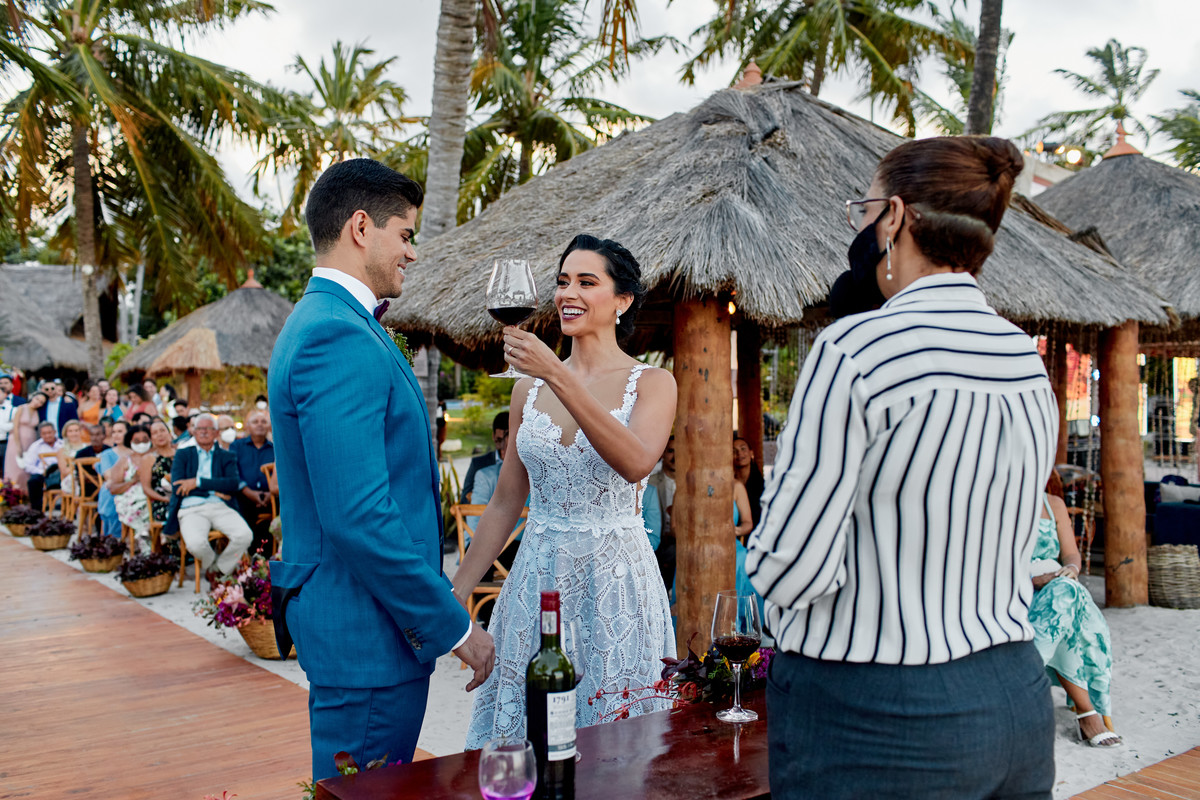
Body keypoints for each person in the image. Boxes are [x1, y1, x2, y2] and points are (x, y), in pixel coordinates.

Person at [747, 137, 1055, 799]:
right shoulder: (1022, 357)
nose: (857, 227)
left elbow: (788, 568)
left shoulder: (856, 348)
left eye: (860, 210)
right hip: (1017, 695)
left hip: (878, 708)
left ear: (892, 217)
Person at [267, 158, 494, 782]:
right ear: (362, 228)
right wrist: (454, 628)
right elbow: (359, 515)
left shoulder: (332, 323)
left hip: (364, 628)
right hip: (366, 633)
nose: (412, 252)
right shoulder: (334, 335)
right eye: (405, 233)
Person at [456, 233, 677, 747]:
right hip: (538, 581)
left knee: (616, 748)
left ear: (622, 300)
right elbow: (507, 500)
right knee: (527, 740)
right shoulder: (524, 390)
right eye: (560, 282)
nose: (566, 293)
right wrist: (455, 597)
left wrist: (556, 372)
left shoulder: (653, 382)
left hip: (617, 583)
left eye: (586, 281)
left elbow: (636, 461)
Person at [1030, 472, 1120, 747]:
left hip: (1056, 585)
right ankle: (1087, 712)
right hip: (1014, 589)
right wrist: (1030, 580)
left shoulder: (1052, 504)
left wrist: (1070, 569)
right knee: (1067, 601)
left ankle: (1027, 676)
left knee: (1066, 592)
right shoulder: (991, 504)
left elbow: (1070, 553)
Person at [162, 414, 253, 574]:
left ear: (216, 433)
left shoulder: (227, 456)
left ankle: (219, 570)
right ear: (194, 432)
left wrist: (197, 482)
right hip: (191, 508)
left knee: (245, 535)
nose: (204, 432)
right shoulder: (183, 454)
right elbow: (177, 486)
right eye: (200, 429)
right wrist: (216, 487)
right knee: (196, 544)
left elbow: (232, 484)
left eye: (209, 429)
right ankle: (211, 565)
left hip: (220, 506)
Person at [232, 409, 275, 554]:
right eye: (255, 422)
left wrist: (271, 494)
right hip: (243, 496)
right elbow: (233, 473)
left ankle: (264, 562)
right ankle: (246, 561)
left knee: (270, 525)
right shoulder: (236, 446)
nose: (260, 425)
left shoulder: (275, 449)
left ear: (269, 426)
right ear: (247, 426)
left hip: (270, 498)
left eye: (264, 422)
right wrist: (248, 492)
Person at [106, 424, 153, 552]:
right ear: (130, 442)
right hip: (130, 499)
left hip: (153, 496)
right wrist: (133, 480)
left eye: (145, 440)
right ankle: (144, 539)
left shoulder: (156, 458)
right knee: (144, 504)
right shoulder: (124, 461)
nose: (142, 444)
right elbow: (113, 488)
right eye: (137, 441)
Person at [647, 435, 676, 594]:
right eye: (671, 451)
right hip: (658, 545)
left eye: (679, 451)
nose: (675, 456)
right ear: (663, 453)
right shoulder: (649, 483)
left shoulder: (691, 483)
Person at [461, 412, 509, 502]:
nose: (503, 446)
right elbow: (464, 499)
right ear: (493, 436)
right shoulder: (479, 464)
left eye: (507, 442)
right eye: (499, 440)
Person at [4, 390, 47, 492]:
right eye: (37, 399)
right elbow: (15, 427)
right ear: (33, 397)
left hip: (31, 442)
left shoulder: (37, 413)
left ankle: (25, 494)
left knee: (27, 469)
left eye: (41, 402)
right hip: (16, 440)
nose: (38, 402)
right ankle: (11, 493)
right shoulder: (21, 408)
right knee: (15, 467)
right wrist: (18, 445)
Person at [141, 418, 177, 526]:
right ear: (151, 439)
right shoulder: (149, 459)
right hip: (162, 502)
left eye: (162, 431)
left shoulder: (180, 454)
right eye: (155, 433)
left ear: (170, 434)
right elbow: (146, 488)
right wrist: (165, 499)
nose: (160, 435)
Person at [96, 420, 128, 538]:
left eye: (120, 431)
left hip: (131, 487)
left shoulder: (135, 452)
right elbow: (109, 476)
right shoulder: (107, 454)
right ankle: (113, 538)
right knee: (109, 490)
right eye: (114, 432)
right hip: (114, 488)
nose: (116, 435)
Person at [21, 421, 61, 510]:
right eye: (44, 433)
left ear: (54, 432)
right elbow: (28, 465)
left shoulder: (62, 444)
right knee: (33, 481)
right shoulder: (36, 446)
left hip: (61, 474)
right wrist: (42, 472)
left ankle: (66, 508)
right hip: (43, 474)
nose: (47, 436)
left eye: (49, 433)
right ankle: (36, 511)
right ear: (40, 434)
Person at [733, 436, 765, 528]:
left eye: (743, 449)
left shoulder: (762, 485)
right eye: (734, 451)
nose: (739, 453)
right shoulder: (730, 485)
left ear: (751, 453)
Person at [0, 373, 28, 471]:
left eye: (6, 383)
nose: (3, 385)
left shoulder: (21, 401)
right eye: (1, 383)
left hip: (12, 441)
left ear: (12, 385)